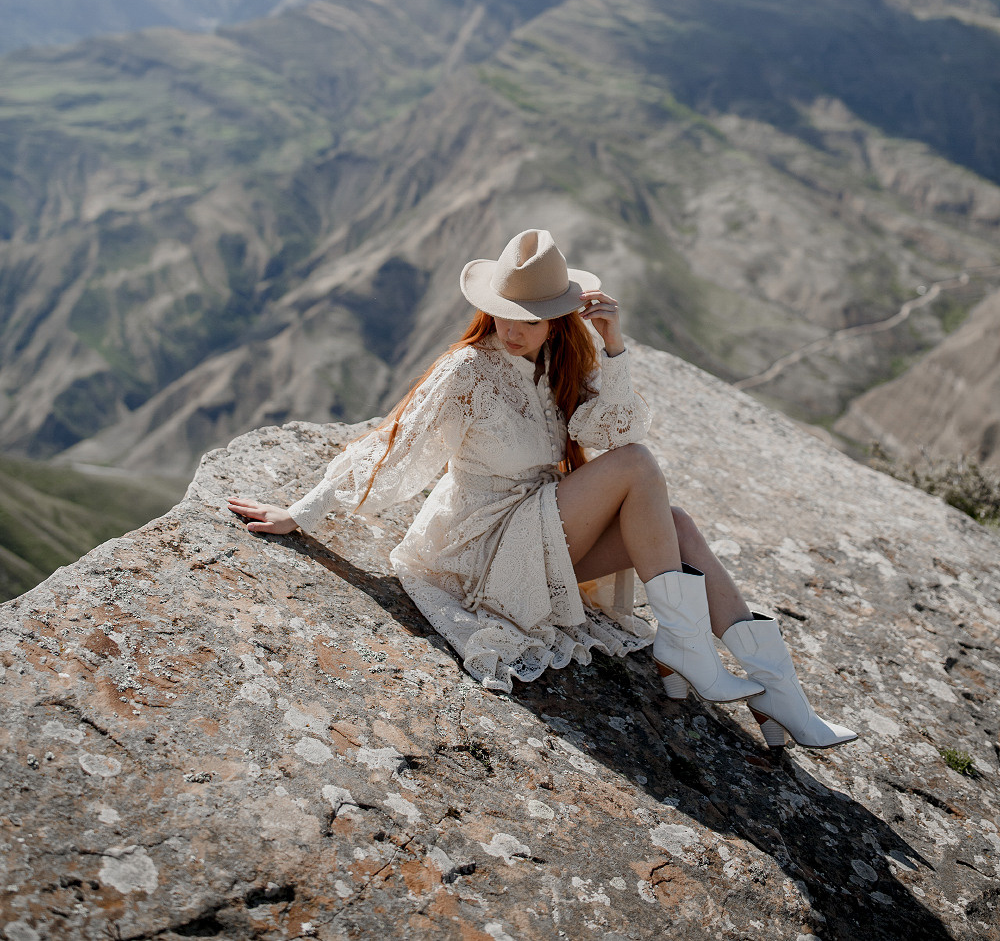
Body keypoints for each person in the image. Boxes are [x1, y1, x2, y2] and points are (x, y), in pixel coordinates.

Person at [228, 230, 856, 749]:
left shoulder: (561, 363)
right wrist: (301, 513)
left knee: (680, 525)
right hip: (480, 544)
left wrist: (612, 350)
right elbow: (389, 445)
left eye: (530, 318)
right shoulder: (467, 371)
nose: (513, 328)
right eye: (505, 313)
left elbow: (615, 428)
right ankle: (687, 652)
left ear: (559, 317)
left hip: (542, 525)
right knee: (639, 467)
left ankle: (780, 697)